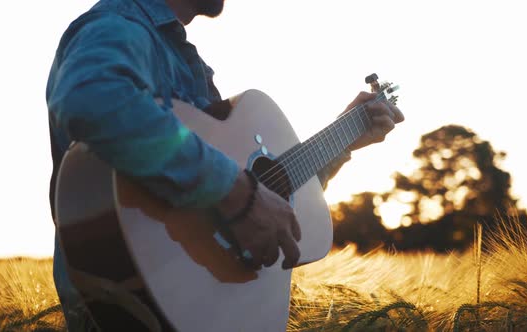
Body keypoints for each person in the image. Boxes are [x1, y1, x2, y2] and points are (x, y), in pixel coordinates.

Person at [46, 0, 404, 330]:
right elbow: (91, 99)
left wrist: (342, 141)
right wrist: (239, 193)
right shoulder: (118, 26)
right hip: (130, 299)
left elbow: (264, 196)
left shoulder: (186, 59)